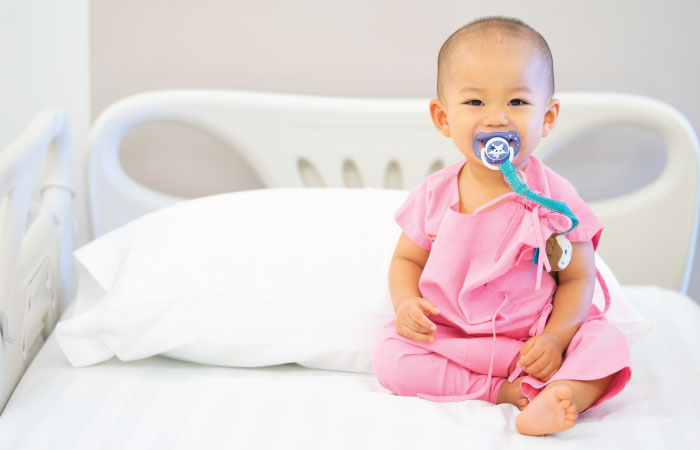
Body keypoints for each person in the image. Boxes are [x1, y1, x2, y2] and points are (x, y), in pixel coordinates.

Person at [371, 16, 631, 436]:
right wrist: (405, 305)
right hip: (455, 340)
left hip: (534, 343)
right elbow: (406, 259)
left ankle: (561, 393)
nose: (496, 119)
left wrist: (556, 338)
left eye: (516, 103)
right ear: (442, 118)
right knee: (388, 355)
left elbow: (578, 277)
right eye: (475, 103)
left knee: (607, 344)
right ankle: (502, 393)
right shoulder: (435, 194)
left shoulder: (556, 199)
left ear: (547, 117)